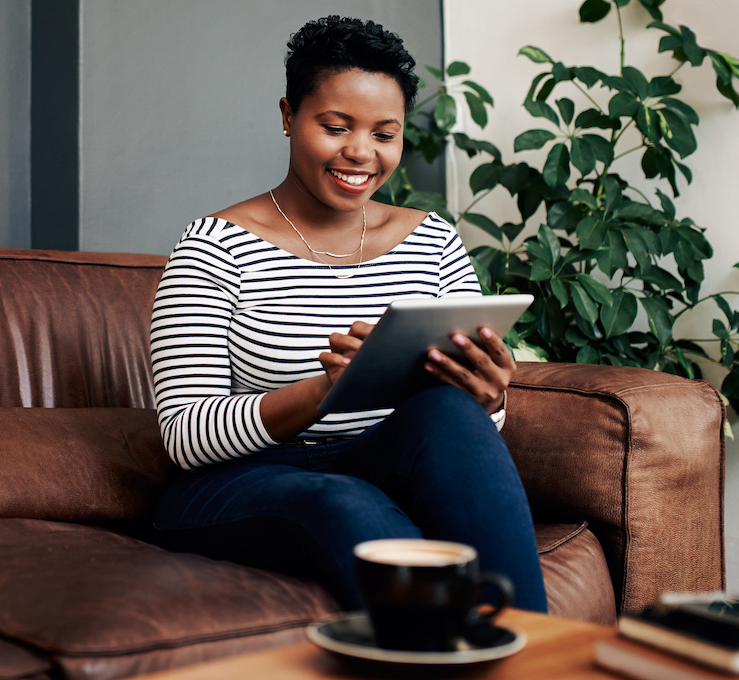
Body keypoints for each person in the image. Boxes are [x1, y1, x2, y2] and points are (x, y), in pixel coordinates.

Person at [149, 15, 548, 613]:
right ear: (288, 115)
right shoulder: (214, 244)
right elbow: (185, 439)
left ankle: (535, 652)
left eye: (385, 134)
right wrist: (327, 391)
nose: (361, 153)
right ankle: (448, 648)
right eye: (336, 127)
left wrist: (486, 400)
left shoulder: (432, 242)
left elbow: (466, 444)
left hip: (374, 462)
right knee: (343, 502)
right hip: (242, 483)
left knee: (445, 410)